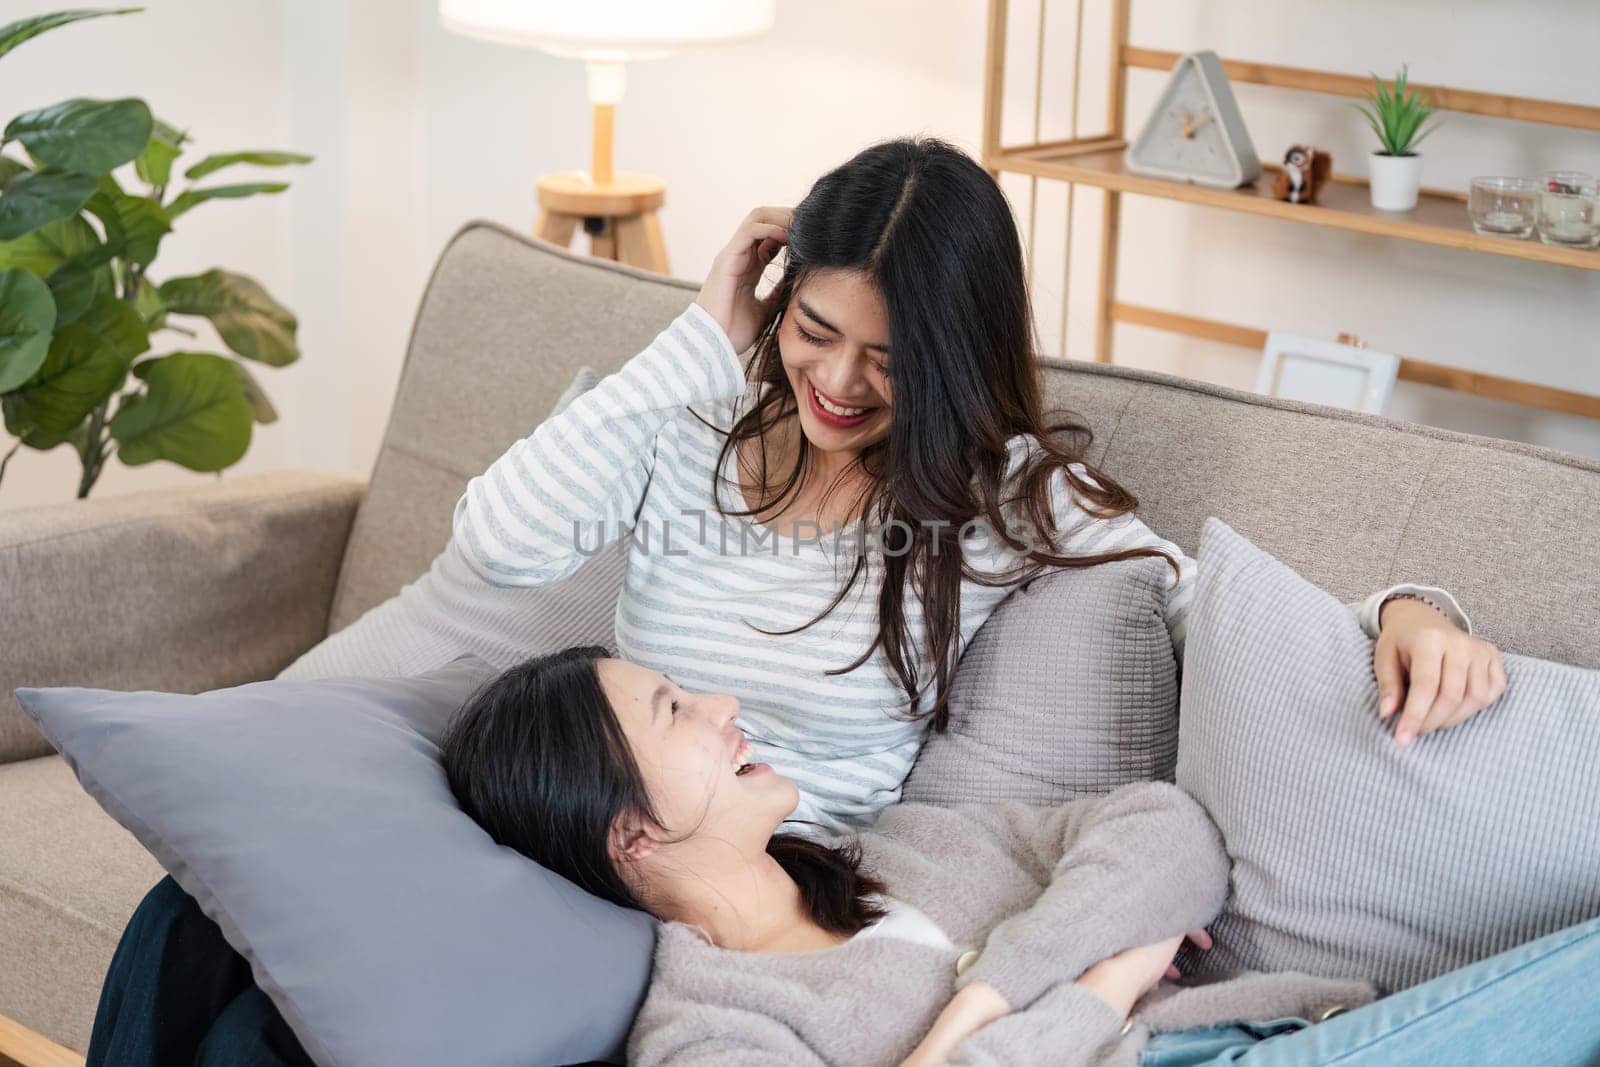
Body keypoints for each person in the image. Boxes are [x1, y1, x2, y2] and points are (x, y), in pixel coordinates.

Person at [87, 135, 1505, 1064]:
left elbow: (1203, 608)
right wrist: (701, 336)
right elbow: (504, 535)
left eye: (885, 360)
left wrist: (1403, 605)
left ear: (951, 362)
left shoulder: (990, 499)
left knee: (285, 1039)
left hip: (702, 896)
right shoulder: (695, 427)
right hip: (576, 823)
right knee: (192, 915)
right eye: (811, 329)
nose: (833, 382)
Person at [443, 646, 1600, 1067]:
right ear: (628, 830)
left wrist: (982, 1003)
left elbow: (1166, 829)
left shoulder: (901, 845)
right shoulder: (712, 1032)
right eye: (675, 708)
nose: (724, 701)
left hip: (1278, 1024)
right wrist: (1103, 978)